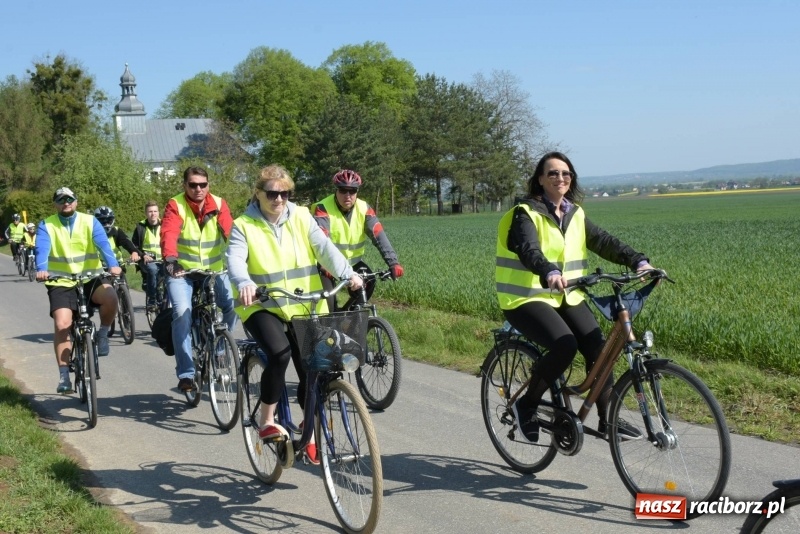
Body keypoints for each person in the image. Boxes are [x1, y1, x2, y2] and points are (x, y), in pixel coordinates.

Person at [495, 152, 656, 443]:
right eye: (553, 173)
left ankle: (609, 421)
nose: (561, 178)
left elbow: (603, 241)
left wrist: (638, 261)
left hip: (565, 295)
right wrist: (548, 271)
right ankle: (527, 404)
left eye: (566, 173)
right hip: (525, 298)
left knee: (599, 348)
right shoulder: (525, 213)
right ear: (541, 179)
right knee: (564, 344)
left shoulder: (574, 213)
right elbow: (529, 250)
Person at [227, 164, 363, 464]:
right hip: (263, 305)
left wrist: (348, 273)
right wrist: (245, 282)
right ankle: (267, 420)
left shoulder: (301, 216)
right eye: (272, 193)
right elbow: (235, 260)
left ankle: (309, 430)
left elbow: (324, 248)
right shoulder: (244, 225)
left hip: (304, 305)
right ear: (258, 193)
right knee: (279, 353)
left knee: (313, 368)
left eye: (285, 193)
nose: (279, 199)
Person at [35, 187, 121, 393]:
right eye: (61, 200)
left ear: (76, 202)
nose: (66, 203)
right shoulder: (47, 224)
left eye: (70, 199)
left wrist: (113, 264)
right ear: (55, 204)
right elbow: (42, 249)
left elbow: (103, 245)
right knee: (62, 324)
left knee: (110, 296)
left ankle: (102, 334)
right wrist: (42, 269)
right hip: (61, 282)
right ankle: (64, 375)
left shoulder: (90, 221)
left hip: (90, 277)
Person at [161, 166, 237, 392]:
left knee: (232, 305)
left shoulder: (219, 204)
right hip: (181, 272)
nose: (198, 189)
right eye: (193, 185)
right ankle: (186, 373)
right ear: (185, 185)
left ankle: (221, 349)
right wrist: (171, 259)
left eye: (202, 184)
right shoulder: (176, 205)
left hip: (212, 271)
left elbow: (231, 233)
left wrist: (242, 259)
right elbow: (169, 232)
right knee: (182, 313)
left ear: (208, 185)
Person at [313, 169, 403, 309]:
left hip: (353, 262)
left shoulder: (364, 209)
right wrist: (326, 264)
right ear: (336, 190)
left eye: (352, 191)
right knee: (328, 307)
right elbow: (321, 240)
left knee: (369, 281)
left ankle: (350, 316)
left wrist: (393, 262)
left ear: (357, 192)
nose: (347, 195)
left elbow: (378, 235)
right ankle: (333, 317)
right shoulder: (323, 208)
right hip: (327, 264)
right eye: (343, 190)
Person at [131, 201, 164, 309]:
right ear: (146, 213)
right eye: (150, 211)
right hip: (147, 259)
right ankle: (152, 299)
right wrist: (142, 255)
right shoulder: (141, 227)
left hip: (164, 258)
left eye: (155, 211)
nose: (153, 214)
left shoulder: (165, 224)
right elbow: (134, 245)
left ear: (158, 213)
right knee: (153, 270)